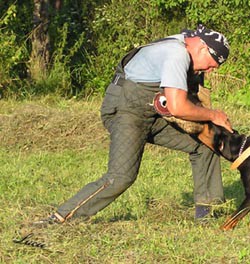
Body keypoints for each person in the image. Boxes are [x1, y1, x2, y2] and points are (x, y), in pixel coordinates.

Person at [34, 24, 232, 225]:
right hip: (126, 109)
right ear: (202, 48)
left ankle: (207, 215)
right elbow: (177, 107)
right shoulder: (177, 54)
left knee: (205, 144)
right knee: (121, 176)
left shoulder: (187, 46)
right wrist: (213, 115)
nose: (208, 70)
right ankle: (60, 218)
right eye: (210, 65)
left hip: (152, 112)